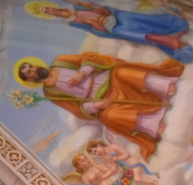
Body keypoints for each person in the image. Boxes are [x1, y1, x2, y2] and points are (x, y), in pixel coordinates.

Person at [16, 53, 184, 160]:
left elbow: (90, 58)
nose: (35, 70)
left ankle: (163, 85)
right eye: (30, 73)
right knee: (109, 116)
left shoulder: (61, 62)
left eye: (32, 66)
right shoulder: (50, 93)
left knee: (121, 71)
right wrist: (96, 105)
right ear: (31, 80)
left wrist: (82, 73)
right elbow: (78, 109)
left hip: (106, 79)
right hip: (99, 99)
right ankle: (153, 123)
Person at [26, 0, 193, 63]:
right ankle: (168, 40)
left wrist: (92, 7)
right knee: (123, 33)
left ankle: (171, 30)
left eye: (49, 8)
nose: (52, 11)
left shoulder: (75, 7)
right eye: (48, 12)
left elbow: (105, 10)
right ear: (50, 15)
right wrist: (98, 25)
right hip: (107, 27)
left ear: (52, 5)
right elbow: (92, 30)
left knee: (128, 23)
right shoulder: (70, 22)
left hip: (116, 17)